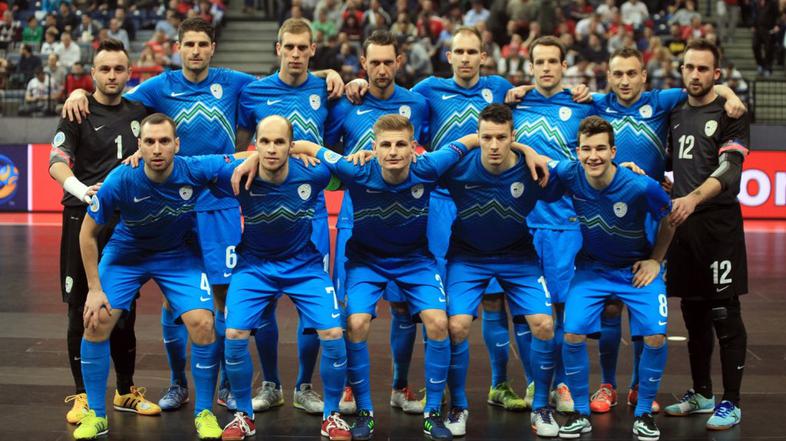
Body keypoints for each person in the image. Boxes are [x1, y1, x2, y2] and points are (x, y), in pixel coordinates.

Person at [63, 18, 257, 412]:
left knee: (218, 299)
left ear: (213, 47)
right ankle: (175, 384)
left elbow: (279, 88)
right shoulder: (157, 87)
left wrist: (327, 75)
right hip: (175, 207)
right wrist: (82, 91)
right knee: (173, 301)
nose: (197, 51)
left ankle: (221, 386)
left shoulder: (234, 80)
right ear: (178, 47)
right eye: (190, 44)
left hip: (214, 198)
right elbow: (112, 91)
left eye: (204, 43)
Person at [291, 115, 485, 441]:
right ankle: (365, 412)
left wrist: (527, 150)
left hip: (415, 262)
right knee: (354, 324)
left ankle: (433, 412)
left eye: (400, 145)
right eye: (385, 145)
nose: (393, 151)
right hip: (366, 263)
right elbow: (309, 146)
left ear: (413, 148)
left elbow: (473, 139)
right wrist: (287, 150)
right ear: (374, 148)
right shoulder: (356, 170)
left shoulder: (428, 167)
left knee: (439, 323)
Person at [588, 47, 746, 414]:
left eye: (632, 73)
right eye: (617, 74)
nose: (624, 80)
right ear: (609, 77)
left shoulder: (667, 102)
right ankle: (622, 386)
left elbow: (715, 97)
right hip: (654, 220)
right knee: (682, 310)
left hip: (679, 221)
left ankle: (723, 400)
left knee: (714, 311)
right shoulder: (602, 104)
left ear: (645, 75)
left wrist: (731, 93)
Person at [75, 113, 227, 440]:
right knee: (96, 319)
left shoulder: (193, 169)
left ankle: (204, 413)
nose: (157, 149)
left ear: (177, 145)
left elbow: (241, 158)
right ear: (139, 146)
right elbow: (87, 235)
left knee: (203, 322)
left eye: (164, 141)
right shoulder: (121, 179)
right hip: (127, 253)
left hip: (177, 255)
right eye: (149, 142)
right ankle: (96, 416)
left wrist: (298, 148)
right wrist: (94, 289)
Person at [410, 27, 533, 414]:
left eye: (472, 52)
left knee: (495, 298)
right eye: (458, 51)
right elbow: (392, 108)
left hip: (486, 201)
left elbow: (516, 126)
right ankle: (439, 389)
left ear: (484, 55)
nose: (465, 58)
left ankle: (499, 385)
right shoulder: (427, 89)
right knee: (441, 304)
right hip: (441, 204)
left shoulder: (499, 88)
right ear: (448, 55)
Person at [216, 116, 352, 441]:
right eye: (265, 142)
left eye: (280, 142)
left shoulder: (313, 173)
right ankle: (243, 415)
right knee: (234, 333)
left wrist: (309, 147)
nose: (272, 149)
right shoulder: (238, 176)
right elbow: (193, 167)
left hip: (303, 266)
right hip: (254, 267)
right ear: (255, 146)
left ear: (290, 146)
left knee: (333, 331)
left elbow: (348, 171)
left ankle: (332, 415)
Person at [234, 17, 345, 416]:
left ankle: (304, 386)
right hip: (263, 209)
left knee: (312, 308)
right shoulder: (253, 92)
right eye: (289, 47)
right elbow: (243, 148)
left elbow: (336, 142)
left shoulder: (325, 88)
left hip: (311, 215)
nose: (296, 54)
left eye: (304, 48)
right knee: (261, 306)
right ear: (277, 49)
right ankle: (271, 384)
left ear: (313, 50)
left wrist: (339, 76)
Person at [48, 39, 157, 428]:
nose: (112, 76)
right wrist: (82, 190)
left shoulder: (140, 111)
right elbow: (56, 162)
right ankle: (81, 394)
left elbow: (163, 140)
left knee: (122, 309)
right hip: (83, 219)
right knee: (81, 307)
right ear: (92, 73)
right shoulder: (77, 111)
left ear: (130, 73)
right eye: (105, 69)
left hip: (126, 222)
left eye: (119, 69)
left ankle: (125, 390)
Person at [327, 29, 429, 416]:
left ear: (399, 62)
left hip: (407, 222)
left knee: (404, 311)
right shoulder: (344, 106)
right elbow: (329, 155)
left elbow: (427, 155)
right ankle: (353, 389)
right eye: (375, 62)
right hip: (356, 222)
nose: (382, 69)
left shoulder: (417, 104)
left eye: (389, 61)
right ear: (363, 64)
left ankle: (400, 387)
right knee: (354, 312)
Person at [552, 116, 674, 441]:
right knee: (572, 334)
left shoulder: (639, 185)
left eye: (601, 149)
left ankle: (644, 412)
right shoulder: (568, 173)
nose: (593, 156)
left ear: (614, 151)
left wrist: (655, 261)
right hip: (592, 270)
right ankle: (580, 412)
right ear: (577, 151)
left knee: (656, 337)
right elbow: (535, 170)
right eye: (587, 149)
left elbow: (671, 218)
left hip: (635, 270)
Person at [440, 104, 559, 436]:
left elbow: (585, 172)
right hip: (467, 256)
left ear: (513, 138)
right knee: (457, 326)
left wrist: (626, 168)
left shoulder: (532, 169)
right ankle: (458, 407)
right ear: (477, 138)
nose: (494, 145)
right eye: (487, 138)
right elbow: (416, 166)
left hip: (518, 256)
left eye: (502, 138)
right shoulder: (458, 167)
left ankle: (542, 409)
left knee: (544, 324)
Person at [663, 38, 750, 431]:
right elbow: (677, 164)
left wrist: (693, 197)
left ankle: (732, 402)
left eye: (703, 69)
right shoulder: (676, 111)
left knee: (724, 313)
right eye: (689, 67)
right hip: (684, 227)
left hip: (718, 227)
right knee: (692, 313)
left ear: (716, 74)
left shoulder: (730, 112)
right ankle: (702, 393)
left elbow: (731, 169)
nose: (695, 74)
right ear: (681, 70)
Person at [510, 36, 594, 422]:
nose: (545, 68)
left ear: (564, 66)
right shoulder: (515, 104)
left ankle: (561, 382)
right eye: (539, 61)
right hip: (522, 223)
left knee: (561, 310)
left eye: (552, 62)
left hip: (566, 224)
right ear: (530, 67)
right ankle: (534, 380)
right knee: (527, 310)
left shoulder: (580, 106)